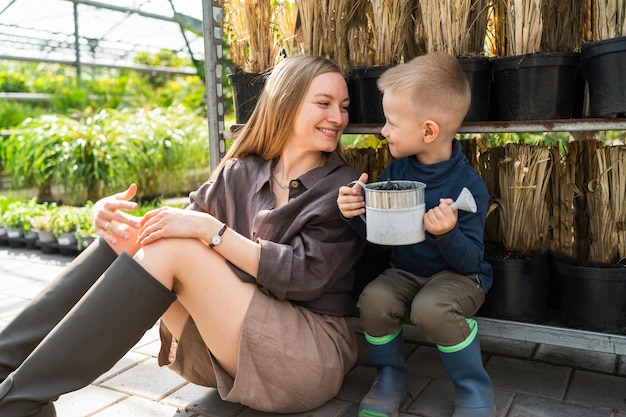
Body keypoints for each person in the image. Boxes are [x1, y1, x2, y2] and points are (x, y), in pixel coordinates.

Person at [0, 54, 365, 416]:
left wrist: (213, 232)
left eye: (344, 106)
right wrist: (111, 223)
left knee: (176, 246)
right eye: (324, 103)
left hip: (306, 356)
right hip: (224, 349)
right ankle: (5, 367)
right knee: (136, 237)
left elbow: (303, 277)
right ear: (285, 103)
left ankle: (18, 404)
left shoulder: (342, 190)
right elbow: (167, 232)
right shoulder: (241, 171)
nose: (338, 118)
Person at [337, 51, 495, 417]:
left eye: (391, 122)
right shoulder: (395, 171)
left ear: (428, 131)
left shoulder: (467, 186)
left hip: (458, 277)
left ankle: (473, 387)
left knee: (431, 308)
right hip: (407, 272)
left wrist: (447, 233)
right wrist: (353, 213)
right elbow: (380, 233)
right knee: (374, 298)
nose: (383, 130)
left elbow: (471, 260)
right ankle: (390, 375)